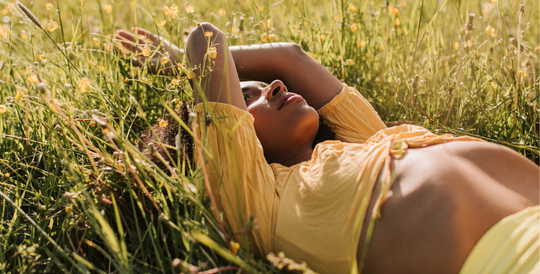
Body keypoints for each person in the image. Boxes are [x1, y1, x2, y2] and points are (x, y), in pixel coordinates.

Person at [115, 23, 539, 274]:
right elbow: (207, 40)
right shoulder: (260, 199)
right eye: (249, 97)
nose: (276, 86)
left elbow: (291, 58)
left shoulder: (362, 140)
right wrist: (183, 63)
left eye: (266, 87)